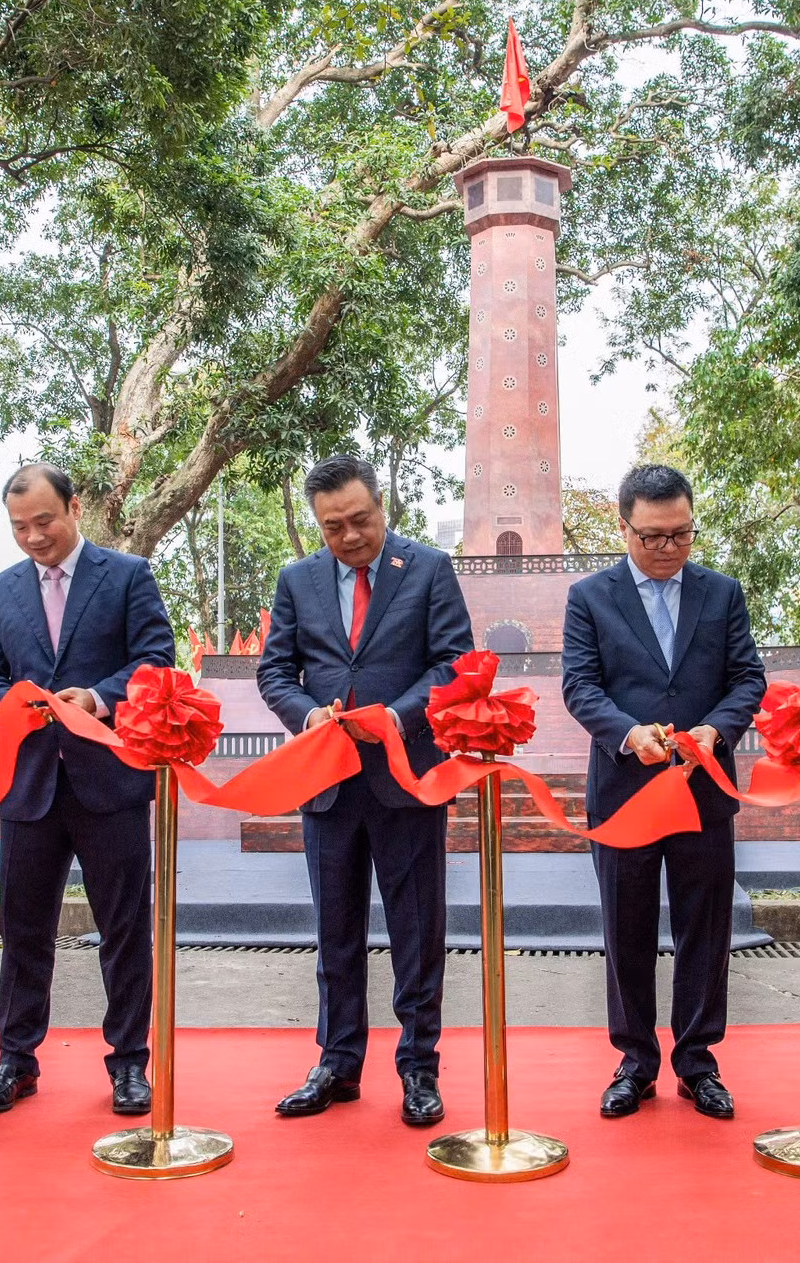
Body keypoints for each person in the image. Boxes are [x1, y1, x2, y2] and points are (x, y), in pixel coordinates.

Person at [256, 456, 473, 1127]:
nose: (349, 537)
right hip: (326, 782)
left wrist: (396, 717)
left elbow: (453, 663)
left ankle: (419, 1069)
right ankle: (337, 1063)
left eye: (360, 520)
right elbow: (276, 671)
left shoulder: (430, 569)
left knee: (416, 931)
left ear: (383, 505)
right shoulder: (297, 580)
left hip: (405, 779)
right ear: (316, 525)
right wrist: (306, 713)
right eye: (332, 528)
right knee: (335, 932)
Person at [0, 463, 176, 1117]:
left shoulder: (127, 576)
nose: (33, 537)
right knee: (23, 928)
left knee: (123, 928)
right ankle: (16, 1060)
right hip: (28, 785)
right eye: (20, 527)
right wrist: (18, 701)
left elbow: (155, 658)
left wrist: (99, 697)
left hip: (108, 782)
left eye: (44, 521)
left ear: (75, 508)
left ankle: (129, 1063)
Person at [561, 464, 767, 1119]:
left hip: (703, 785)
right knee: (625, 926)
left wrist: (717, 729)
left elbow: (747, 680)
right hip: (625, 788)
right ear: (623, 528)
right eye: (652, 536)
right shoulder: (589, 597)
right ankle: (635, 1060)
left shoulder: (722, 593)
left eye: (681, 534)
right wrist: (627, 733)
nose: (668, 548)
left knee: (706, 926)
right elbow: (581, 686)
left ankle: (698, 1060)